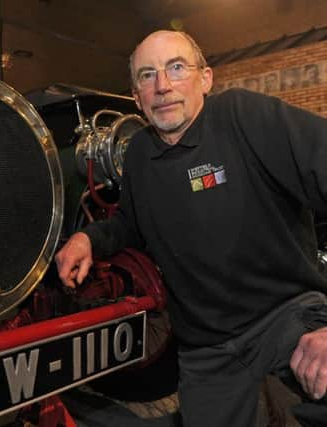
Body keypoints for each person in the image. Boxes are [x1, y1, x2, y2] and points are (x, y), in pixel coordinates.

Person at [55, 30, 327, 427]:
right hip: (207, 345)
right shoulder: (141, 157)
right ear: (136, 97)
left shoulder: (245, 117)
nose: (162, 86)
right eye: (147, 75)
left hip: (284, 315)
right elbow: (131, 223)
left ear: (206, 78)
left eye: (176, 68)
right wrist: (87, 238)